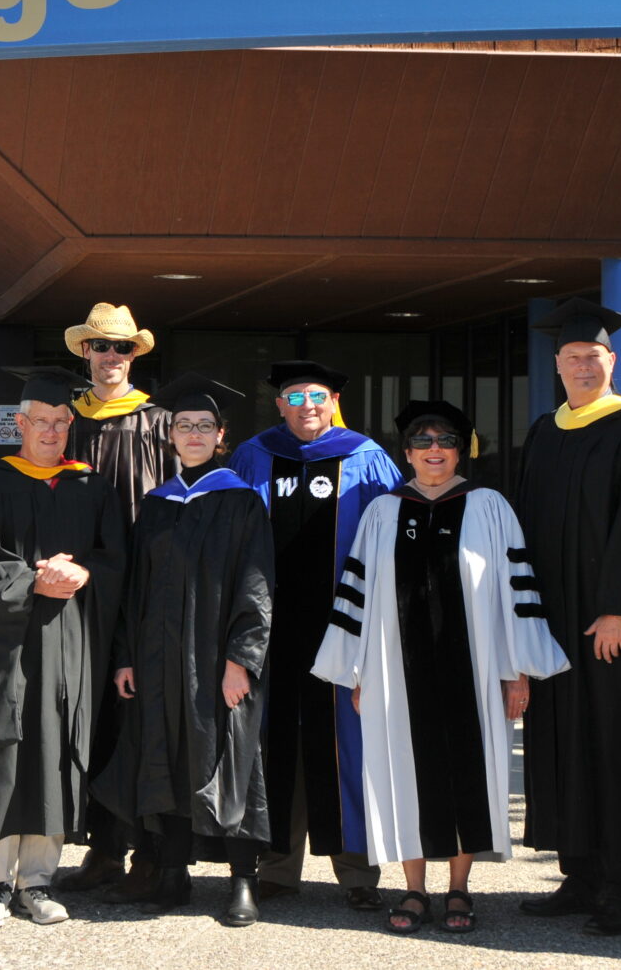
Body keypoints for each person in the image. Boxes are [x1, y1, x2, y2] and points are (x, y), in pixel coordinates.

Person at [313, 400, 569, 936]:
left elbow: (515, 594)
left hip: (473, 673)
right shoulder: (384, 511)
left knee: (466, 772)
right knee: (403, 772)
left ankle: (459, 888)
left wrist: (516, 669)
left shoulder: (490, 506)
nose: (435, 451)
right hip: (395, 673)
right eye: (423, 442)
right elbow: (355, 592)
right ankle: (414, 888)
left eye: (446, 441)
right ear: (406, 453)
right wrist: (355, 671)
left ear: (461, 450)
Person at [516, 297, 621, 936]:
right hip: (552, 622)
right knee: (560, 743)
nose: (583, 366)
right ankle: (577, 874)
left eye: (594, 356)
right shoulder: (544, 433)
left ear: (613, 360)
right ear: (557, 365)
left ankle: (620, 884)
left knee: (612, 746)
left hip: (609, 628)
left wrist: (618, 610)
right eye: (573, 357)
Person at [95, 374, 275, 927]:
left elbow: (257, 583)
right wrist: (124, 655)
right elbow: (134, 587)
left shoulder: (242, 501)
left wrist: (242, 659)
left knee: (234, 759)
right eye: (183, 426)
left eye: (203, 426)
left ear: (221, 435)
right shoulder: (157, 504)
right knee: (165, 757)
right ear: (170, 436)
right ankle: (173, 875)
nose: (193, 434)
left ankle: (244, 880)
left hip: (216, 660)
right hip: (156, 660)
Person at [0, 366, 127, 929]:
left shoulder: (91, 486)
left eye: (60, 422)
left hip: (68, 638)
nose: (51, 432)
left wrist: (81, 571)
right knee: (5, 744)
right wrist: (32, 579)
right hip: (5, 640)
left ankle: (38, 880)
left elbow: (114, 558)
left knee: (57, 744)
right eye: (41, 422)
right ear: (20, 424)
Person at [228, 360, 402, 911]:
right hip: (269, 629)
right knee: (274, 744)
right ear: (279, 404)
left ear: (333, 403)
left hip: (342, 628)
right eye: (295, 395)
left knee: (346, 744)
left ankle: (356, 872)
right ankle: (278, 865)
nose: (306, 405)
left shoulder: (366, 456)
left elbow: (390, 543)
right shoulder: (254, 454)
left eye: (317, 395)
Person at [56, 302, 177, 899]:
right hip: (80, 588)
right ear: (84, 352)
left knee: (143, 717)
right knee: (94, 716)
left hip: (145, 587)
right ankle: (102, 849)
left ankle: (151, 855)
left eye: (121, 349)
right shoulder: (64, 422)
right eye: (100, 347)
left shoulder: (159, 422)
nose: (110, 358)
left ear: (135, 356)